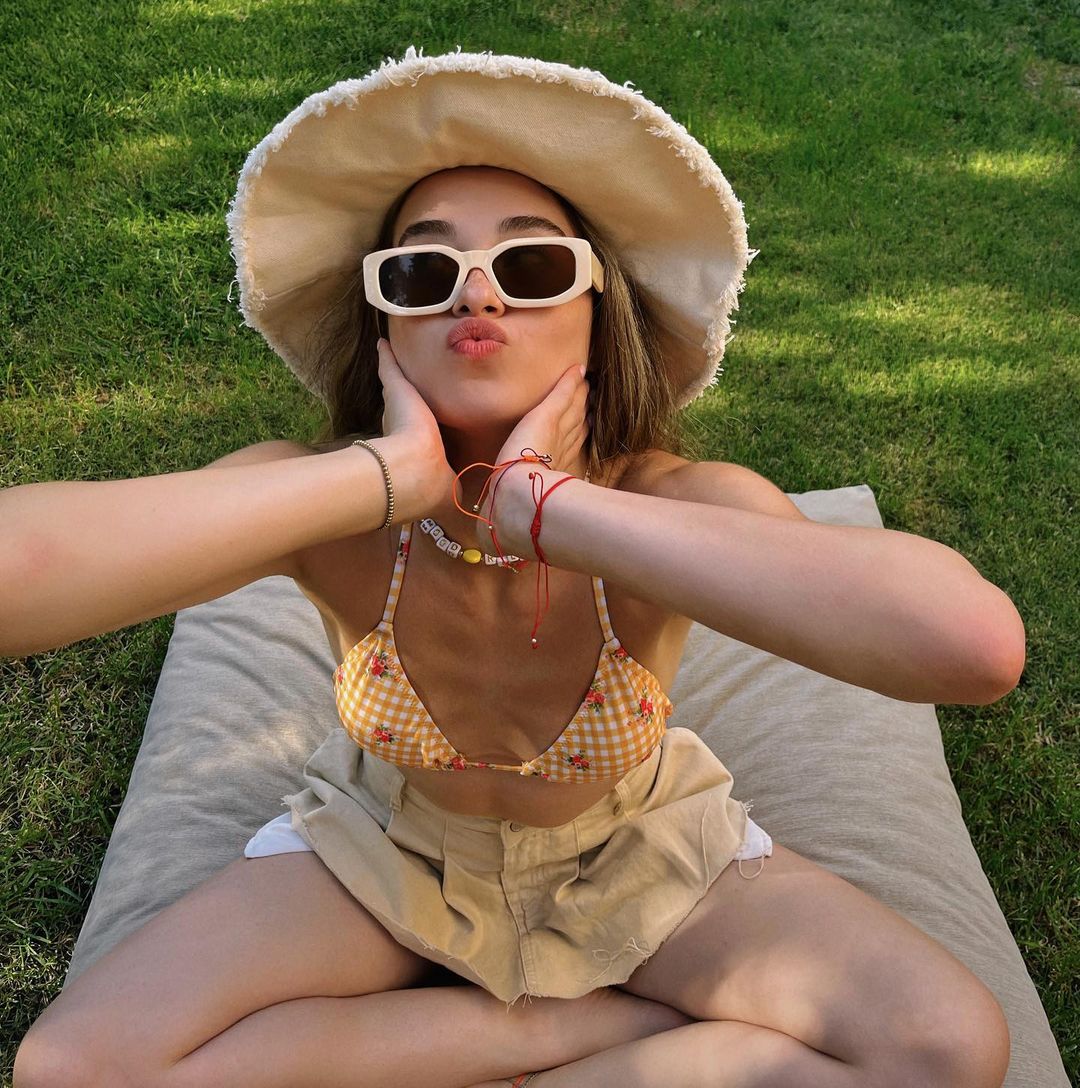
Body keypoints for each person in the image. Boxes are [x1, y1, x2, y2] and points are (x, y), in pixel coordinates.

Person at [9, 48, 1021, 1088]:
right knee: (74, 1071)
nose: (478, 294)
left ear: (599, 310)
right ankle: (568, 1037)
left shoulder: (669, 503)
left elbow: (974, 645)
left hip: (639, 855)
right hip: (383, 851)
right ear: (384, 322)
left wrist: (550, 510)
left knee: (946, 1045)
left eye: (532, 266)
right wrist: (382, 477)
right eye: (422, 272)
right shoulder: (325, 508)